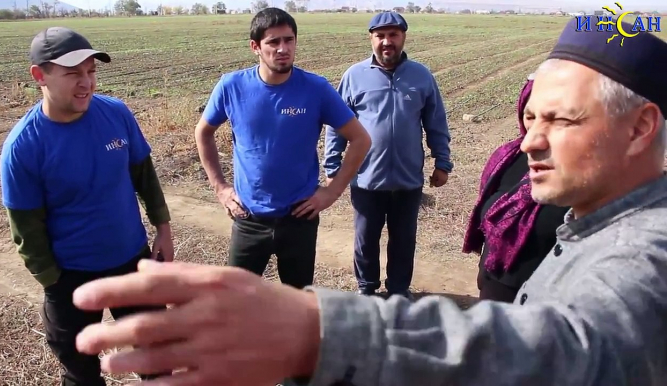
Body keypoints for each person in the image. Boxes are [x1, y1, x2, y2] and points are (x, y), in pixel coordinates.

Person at [69, 17, 667, 386]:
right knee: (360, 253)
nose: (528, 141)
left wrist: (319, 330)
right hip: (291, 206)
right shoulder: (589, 219)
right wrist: (230, 189)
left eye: (561, 119)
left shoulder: (646, 252)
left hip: (387, 188)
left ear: (641, 129)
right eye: (529, 115)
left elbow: (570, 351)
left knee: (386, 261)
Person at [0, 27, 174, 386]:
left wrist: (163, 228)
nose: (86, 83)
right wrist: (53, 281)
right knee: (82, 376)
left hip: (132, 263)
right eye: (72, 73)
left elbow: (144, 175)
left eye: (91, 71)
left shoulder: (116, 113)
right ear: (39, 76)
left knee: (157, 361)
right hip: (71, 277)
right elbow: (25, 228)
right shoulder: (23, 146)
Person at [194, 8, 371, 289]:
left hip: (299, 217)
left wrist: (332, 191)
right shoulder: (232, 86)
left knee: (297, 300)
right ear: (255, 47)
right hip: (249, 217)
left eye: (289, 40)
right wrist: (221, 188)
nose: (283, 49)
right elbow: (203, 132)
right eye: (273, 42)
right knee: (237, 299)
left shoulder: (316, 88)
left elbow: (361, 139)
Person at [323, 11, 452, 298]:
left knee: (404, 240)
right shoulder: (354, 77)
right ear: (371, 38)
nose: (386, 42)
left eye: (393, 35)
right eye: (380, 36)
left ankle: (398, 291)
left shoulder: (421, 76)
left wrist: (442, 162)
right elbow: (337, 124)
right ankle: (367, 288)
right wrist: (333, 164)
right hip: (366, 178)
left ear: (403, 37)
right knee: (365, 239)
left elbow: (436, 122)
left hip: (408, 180)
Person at [462, 74, 569, 302]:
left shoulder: (585, 175)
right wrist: (484, 267)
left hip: (546, 306)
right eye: (531, 115)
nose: (537, 126)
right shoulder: (506, 158)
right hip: (494, 293)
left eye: (550, 116)